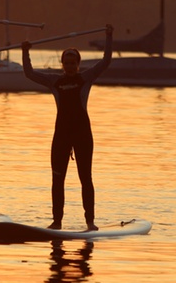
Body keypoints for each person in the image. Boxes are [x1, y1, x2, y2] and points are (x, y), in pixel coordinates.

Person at [22, 25, 113, 231]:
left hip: (82, 135)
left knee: (85, 179)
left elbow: (106, 62)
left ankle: (90, 222)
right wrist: (25, 51)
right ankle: (57, 222)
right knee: (57, 180)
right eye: (66, 63)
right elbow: (28, 73)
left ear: (78, 64)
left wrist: (109, 36)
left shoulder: (86, 78)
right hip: (61, 135)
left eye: (73, 63)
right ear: (61, 63)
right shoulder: (54, 81)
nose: (70, 66)